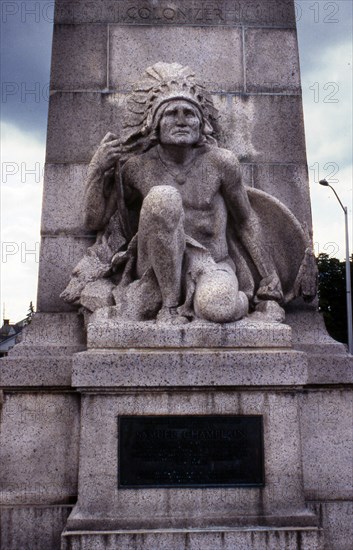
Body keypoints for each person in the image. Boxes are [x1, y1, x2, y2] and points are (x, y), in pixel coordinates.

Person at [61, 63, 316, 324]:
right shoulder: (136, 168)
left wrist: (269, 281)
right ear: (155, 124)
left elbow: (246, 220)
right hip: (154, 272)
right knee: (163, 198)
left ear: (201, 123)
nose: (181, 119)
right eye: (171, 113)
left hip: (212, 265)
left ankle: (244, 302)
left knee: (219, 308)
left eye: (189, 113)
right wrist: (96, 170)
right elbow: (95, 221)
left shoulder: (221, 163)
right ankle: (169, 309)